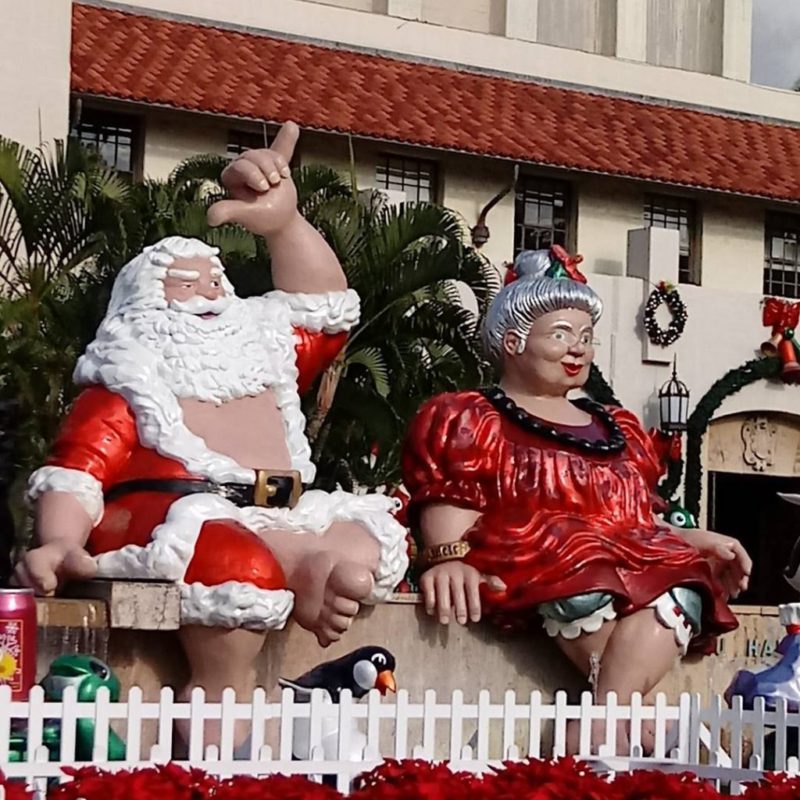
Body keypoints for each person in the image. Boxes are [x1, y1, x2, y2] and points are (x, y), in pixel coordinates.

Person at [15, 122, 408, 746]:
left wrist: (284, 225)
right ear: (144, 308)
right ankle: (219, 739)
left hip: (282, 508)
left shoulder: (260, 350)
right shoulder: (131, 376)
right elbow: (79, 468)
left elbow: (326, 308)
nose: (208, 295)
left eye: (215, 282)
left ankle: (309, 569)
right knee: (238, 564)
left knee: (360, 538)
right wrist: (60, 540)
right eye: (186, 284)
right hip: (176, 515)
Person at [402, 246, 751, 753]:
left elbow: (636, 519)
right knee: (576, 555)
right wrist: (446, 554)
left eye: (585, 337)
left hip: (621, 551)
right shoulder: (471, 416)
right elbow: (452, 491)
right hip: (537, 552)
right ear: (514, 341)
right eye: (561, 334)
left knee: (681, 575)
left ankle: (607, 714)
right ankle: (630, 709)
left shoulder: (618, 427)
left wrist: (696, 540)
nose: (578, 349)